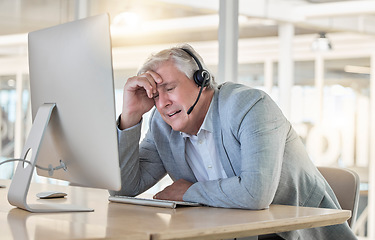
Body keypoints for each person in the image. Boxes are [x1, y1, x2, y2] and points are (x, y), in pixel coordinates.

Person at [110, 44, 357, 240]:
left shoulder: (250, 106)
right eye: (155, 94)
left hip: (292, 235)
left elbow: (255, 193)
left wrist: (189, 192)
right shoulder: (162, 125)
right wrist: (130, 117)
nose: (162, 103)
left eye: (170, 88)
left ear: (201, 81)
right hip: (226, 234)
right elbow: (124, 188)